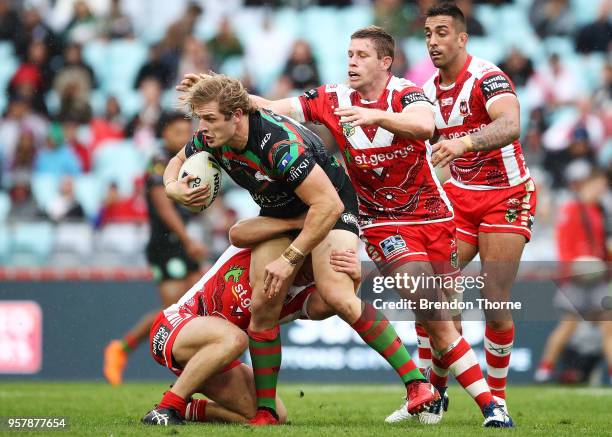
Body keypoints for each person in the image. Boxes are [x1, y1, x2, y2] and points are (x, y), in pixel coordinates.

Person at [228, 25, 511, 427]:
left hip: (435, 216)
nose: (352, 63)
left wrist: (374, 114)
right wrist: (225, 93)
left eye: (361, 55)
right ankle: (492, 408)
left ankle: (433, 395)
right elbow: (274, 106)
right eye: (348, 55)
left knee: (444, 316)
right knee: (433, 310)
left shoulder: (406, 93)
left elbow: (424, 126)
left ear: (385, 61)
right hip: (383, 225)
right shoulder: (332, 98)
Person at [166, 72, 438, 426]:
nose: (203, 128)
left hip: (332, 206)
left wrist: (291, 258)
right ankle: (265, 411)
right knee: (263, 303)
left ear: (236, 116)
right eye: (201, 119)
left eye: (210, 118)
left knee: (337, 294)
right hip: (282, 212)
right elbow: (173, 163)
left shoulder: (280, 146)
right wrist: (173, 188)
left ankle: (418, 385)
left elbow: (325, 206)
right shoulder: (212, 136)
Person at [421, 2, 537, 417]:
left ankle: (498, 399)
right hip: (461, 197)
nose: (433, 41)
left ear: (462, 38)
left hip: (507, 194)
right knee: (435, 295)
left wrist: (464, 143)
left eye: (442, 33)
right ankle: (436, 393)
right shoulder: (427, 89)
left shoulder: (487, 77)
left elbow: (510, 125)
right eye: (428, 34)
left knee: (493, 298)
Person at [142, 226, 361, 425]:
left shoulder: (300, 296)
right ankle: (166, 408)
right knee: (236, 338)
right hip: (174, 325)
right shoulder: (268, 245)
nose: (315, 270)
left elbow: (333, 304)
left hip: (215, 357)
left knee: (275, 415)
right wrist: (301, 221)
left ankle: (188, 408)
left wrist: (353, 279)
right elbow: (237, 233)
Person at [103, 113, 206, 386]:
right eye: (177, 131)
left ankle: (205, 370)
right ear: (165, 134)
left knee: (201, 306)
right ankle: (121, 348)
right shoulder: (159, 164)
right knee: (172, 310)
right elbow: (163, 205)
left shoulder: (192, 160)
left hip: (182, 243)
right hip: (165, 246)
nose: (184, 137)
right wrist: (188, 239)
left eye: (187, 131)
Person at [535, 163, 612, 384]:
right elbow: (564, 243)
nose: (601, 191)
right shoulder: (572, 208)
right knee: (568, 324)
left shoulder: (599, 211)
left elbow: (601, 245)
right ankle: (544, 370)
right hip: (576, 276)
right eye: (599, 186)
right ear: (589, 184)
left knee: (609, 325)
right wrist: (571, 267)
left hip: (597, 276)